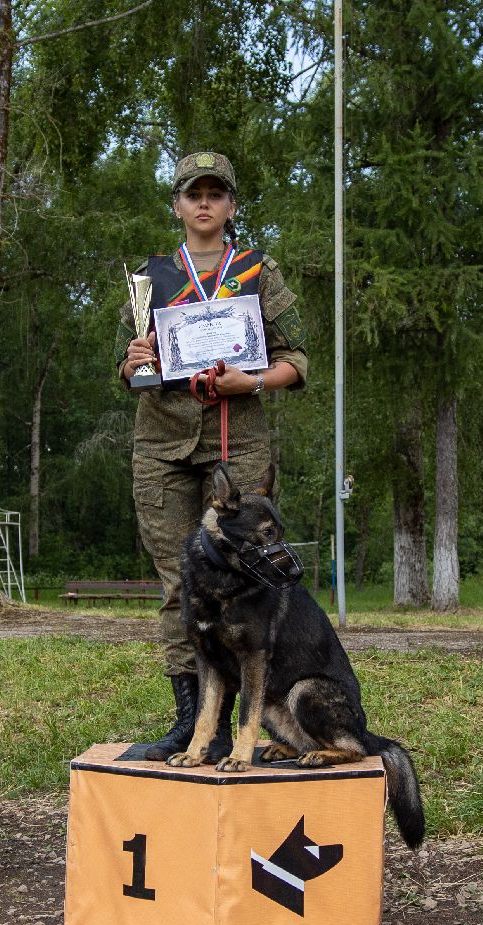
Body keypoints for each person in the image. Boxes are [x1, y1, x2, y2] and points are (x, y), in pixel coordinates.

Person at [117, 151, 310, 762]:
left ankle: (249, 715)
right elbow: (130, 369)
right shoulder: (152, 277)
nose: (204, 204)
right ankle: (191, 722)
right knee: (180, 583)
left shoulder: (257, 270)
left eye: (216, 194)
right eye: (192, 194)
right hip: (164, 445)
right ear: (176, 205)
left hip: (237, 443)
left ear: (230, 205)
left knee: (245, 580)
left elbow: (297, 361)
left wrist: (249, 382)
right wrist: (133, 364)